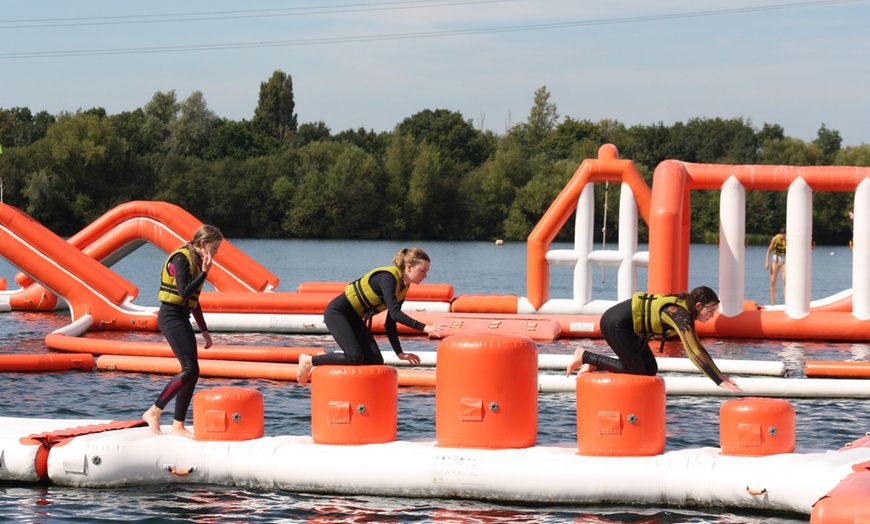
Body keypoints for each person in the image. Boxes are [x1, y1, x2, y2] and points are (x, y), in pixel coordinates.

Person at [297, 247, 449, 386]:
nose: (426, 275)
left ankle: (355, 387)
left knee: (375, 360)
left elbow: (390, 322)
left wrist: (399, 353)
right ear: (409, 267)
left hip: (354, 318)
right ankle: (309, 360)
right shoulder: (388, 278)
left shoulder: (402, 288)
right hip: (338, 313)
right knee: (355, 357)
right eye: (423, 271)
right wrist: (425, 327)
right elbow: (396, 314)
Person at [566, 286, 742, 392]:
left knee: (650, 369)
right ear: (698, 306)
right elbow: (693, 352)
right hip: (615, 323)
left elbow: (699, 348)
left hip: (630, 328)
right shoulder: (679, 314)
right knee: (637, 370)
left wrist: (719, 374)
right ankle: (585, 356)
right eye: (711, 311)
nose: (711, 316)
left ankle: (596, 364)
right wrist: (718, 380)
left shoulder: (684, 313)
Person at [142, 225, 223, 437]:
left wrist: (204, 330)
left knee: (192, 372)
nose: (216, 253)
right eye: (214, 248)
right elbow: (184, 292)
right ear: (203, 244)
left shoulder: (196, 262)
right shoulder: (181, 259)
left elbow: (194, 301)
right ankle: (154, 411)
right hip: (170, 318)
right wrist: (205, 273)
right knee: (189, 369)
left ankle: (178, 425)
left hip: (182, 317)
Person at [764, 227, 787, 305]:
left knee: (785, 281)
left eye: (785, 236)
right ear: (781, 234)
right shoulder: (775, 239)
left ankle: (786, 302)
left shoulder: (788, 239)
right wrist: (767, 262)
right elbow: (769, 250)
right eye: (783, 236)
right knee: (772, 281)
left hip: (784, 260)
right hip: (776, 259)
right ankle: (772, 302)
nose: (784, 237)